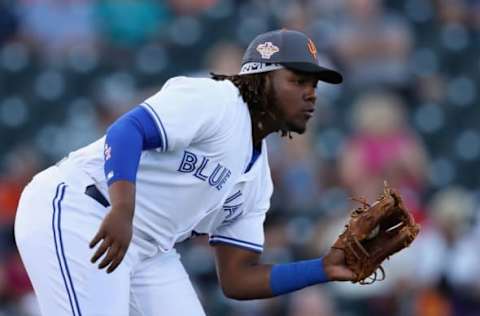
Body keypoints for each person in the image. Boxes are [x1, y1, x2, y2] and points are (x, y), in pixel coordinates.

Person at [14, 29, 354, 316]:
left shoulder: (258, 180)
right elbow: (126, 131)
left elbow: (237, 278)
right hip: (82, 209)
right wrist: (123, 208)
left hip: (150, 249)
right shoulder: (216, 100)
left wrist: (321, 268)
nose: (310, 94)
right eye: (298, 81)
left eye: (314, 85)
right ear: (261, 80)